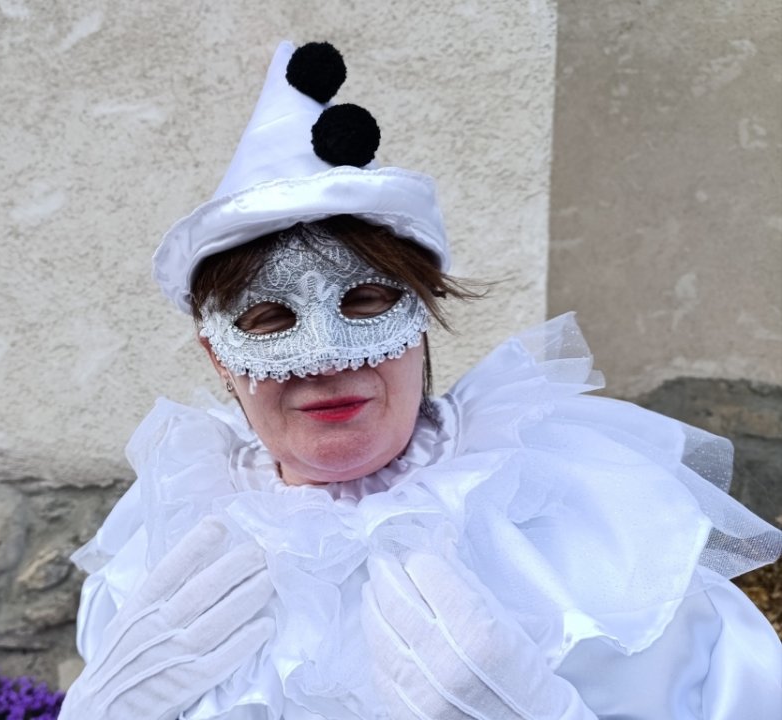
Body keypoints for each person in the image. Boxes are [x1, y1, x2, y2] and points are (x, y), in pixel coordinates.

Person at [58, 42, 782, 720]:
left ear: (421, 317)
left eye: (364, 302)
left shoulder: (589, 522)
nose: (326, 361)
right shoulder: (167, 551)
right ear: (217, 357)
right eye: (270, 319)